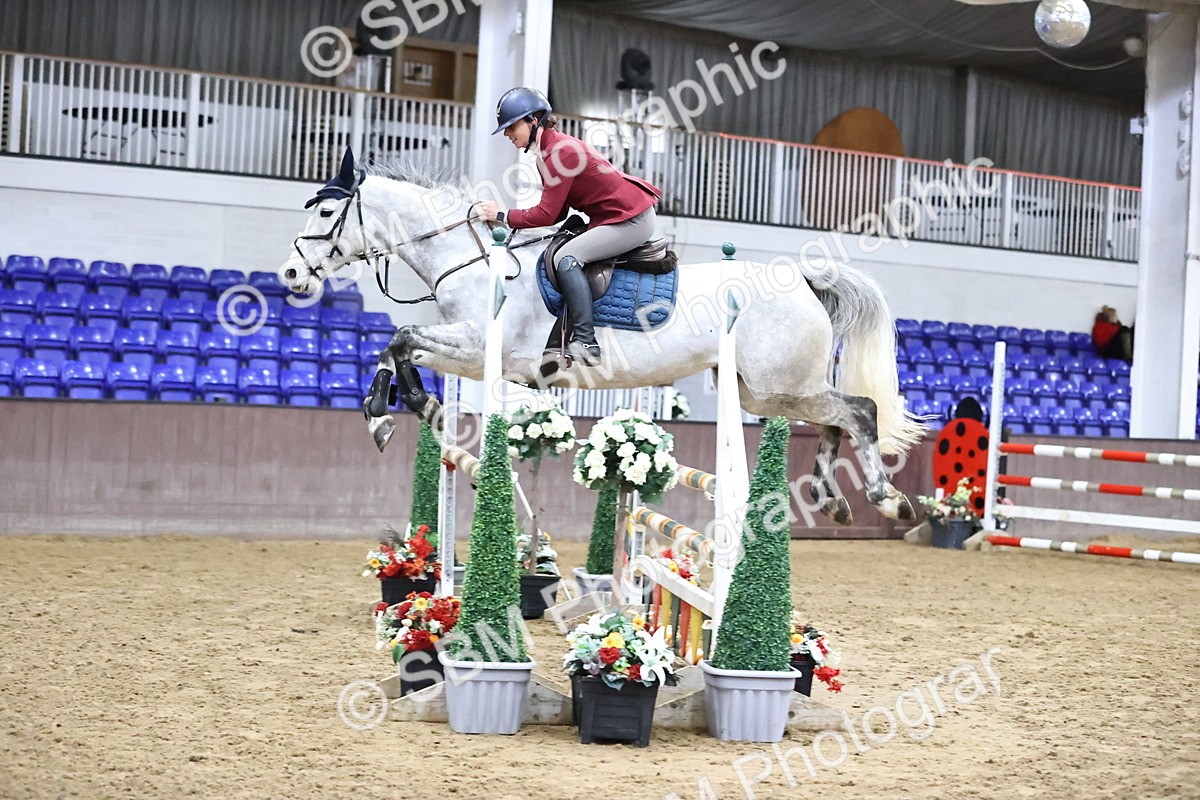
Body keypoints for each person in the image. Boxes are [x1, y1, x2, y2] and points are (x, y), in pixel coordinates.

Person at [477, 87, 661, 366]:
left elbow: (546, 213)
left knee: (567, 258)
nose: (507, 134)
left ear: (533, 120)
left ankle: (586, 341)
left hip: (632, 219)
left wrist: (503, 215)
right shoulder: (547, 153)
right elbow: (558, 213)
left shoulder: (559, 153)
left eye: (512, 126)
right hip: (613, 217)